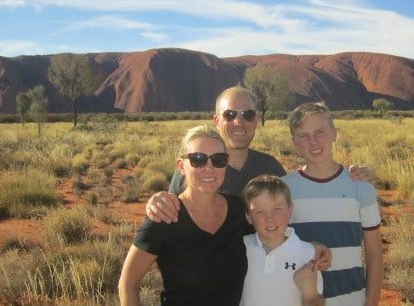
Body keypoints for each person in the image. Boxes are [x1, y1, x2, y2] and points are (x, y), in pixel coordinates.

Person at [146, 86, 375, 224]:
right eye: (229, 114)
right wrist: (156, 202)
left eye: (247, 114)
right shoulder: (195, 167)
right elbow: (169, 209)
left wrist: (351, 180)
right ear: (217, 121)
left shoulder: (270, 167)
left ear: (256, 120)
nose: (239, 122)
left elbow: (298, 209)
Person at [118, 125, 248, 306]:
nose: (209, 168)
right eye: (198, 159)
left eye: (218, 159)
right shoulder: (165, 217)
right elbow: (128, 283)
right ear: (181, 166)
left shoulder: (239, 210)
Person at [282, 102, 383, 306]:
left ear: (334, 133)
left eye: (320, 132)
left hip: (352, 299)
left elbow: (374, 255)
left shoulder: (361, 188)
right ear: (294, 142)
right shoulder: (284, 190)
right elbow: (276, 247)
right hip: (299, 300)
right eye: (304, 136)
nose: (313, 142)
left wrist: (371, 303)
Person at [241, 175, 324, 306]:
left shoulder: (308, 254)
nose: (270, 218)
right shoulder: (241, 247)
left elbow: (316, 302)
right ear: (249, 217)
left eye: (277, 209)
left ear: (290, 210)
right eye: (259, 212)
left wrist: (311, 295)